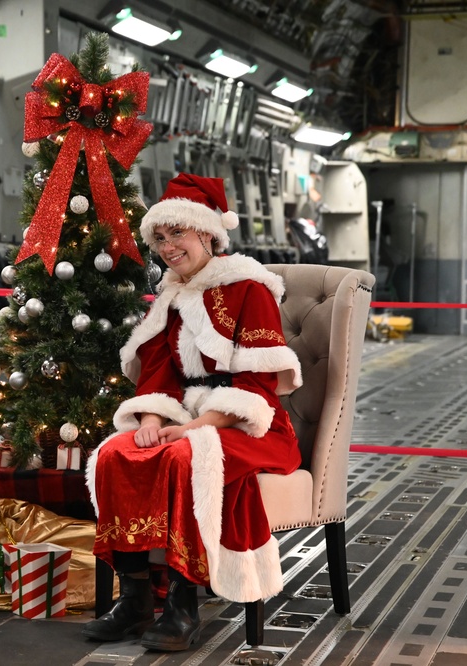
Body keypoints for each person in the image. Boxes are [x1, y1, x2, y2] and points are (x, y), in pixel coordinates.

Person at [82, 173, 302, 652]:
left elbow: (257, 388)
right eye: (159, 238)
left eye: (176, 233)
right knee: (114, 454)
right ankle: (136, 597)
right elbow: (157, 373)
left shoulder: (250, 288)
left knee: (188, 458)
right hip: (184, 416)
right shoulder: (172, 297)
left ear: (207, 232)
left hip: (251, 423)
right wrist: (151, 423)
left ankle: (183, 603)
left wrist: (193, 429)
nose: (167, 247)